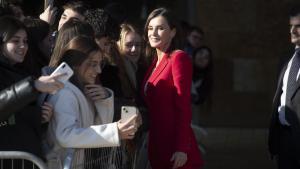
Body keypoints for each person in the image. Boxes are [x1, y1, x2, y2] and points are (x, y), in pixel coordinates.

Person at [45, 36, 139, 169]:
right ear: (76, 64)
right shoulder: (65, 93)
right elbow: (65, 135)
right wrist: (114, 131)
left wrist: (104, 100)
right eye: (93, 64)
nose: (99, 71)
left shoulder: (81, 91)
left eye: (100, 64)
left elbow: (96, 128)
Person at [142, 8, 203, 169]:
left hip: (176, 150)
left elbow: (183, 107)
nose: (153, 33)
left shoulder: (178, 58)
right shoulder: (154, 63)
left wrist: (182, 148)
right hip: (157, 145)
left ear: (173, 32)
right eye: (150, 28)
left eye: (160, 28)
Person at [0, 16, 63, 168]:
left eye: (25, 41)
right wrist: (33, 86)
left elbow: (18, 117)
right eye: (15, 41)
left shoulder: (21, 72)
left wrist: (40, 117)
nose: (23, 46)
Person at [268, 5, 300, 169]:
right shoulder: (286, 58)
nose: (293, 31)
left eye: (298, 26)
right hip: (284, 140)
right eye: (291, 26)